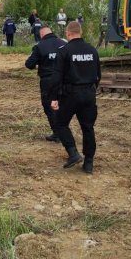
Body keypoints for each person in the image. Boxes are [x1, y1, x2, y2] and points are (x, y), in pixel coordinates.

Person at [49, 20, 101, 174]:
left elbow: (56, 77)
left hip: (70, 94)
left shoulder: (64, 51)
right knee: (88, 128)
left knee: (60, 123)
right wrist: (91, 90)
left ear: (67, 33)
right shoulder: (92, 50)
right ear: (81, 32)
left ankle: (73, 153)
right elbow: (98, 75)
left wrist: (54, 98)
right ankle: (89, 163)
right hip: (89, 94)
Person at [25, 26, 65, 142]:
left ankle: (57, 133)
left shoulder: (40, 46)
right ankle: (62, 131)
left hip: (48, 80)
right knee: (61, 105)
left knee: (49, 106)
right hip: (63, 79)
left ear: (41, 35)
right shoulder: (63, 43)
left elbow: (29, 64)